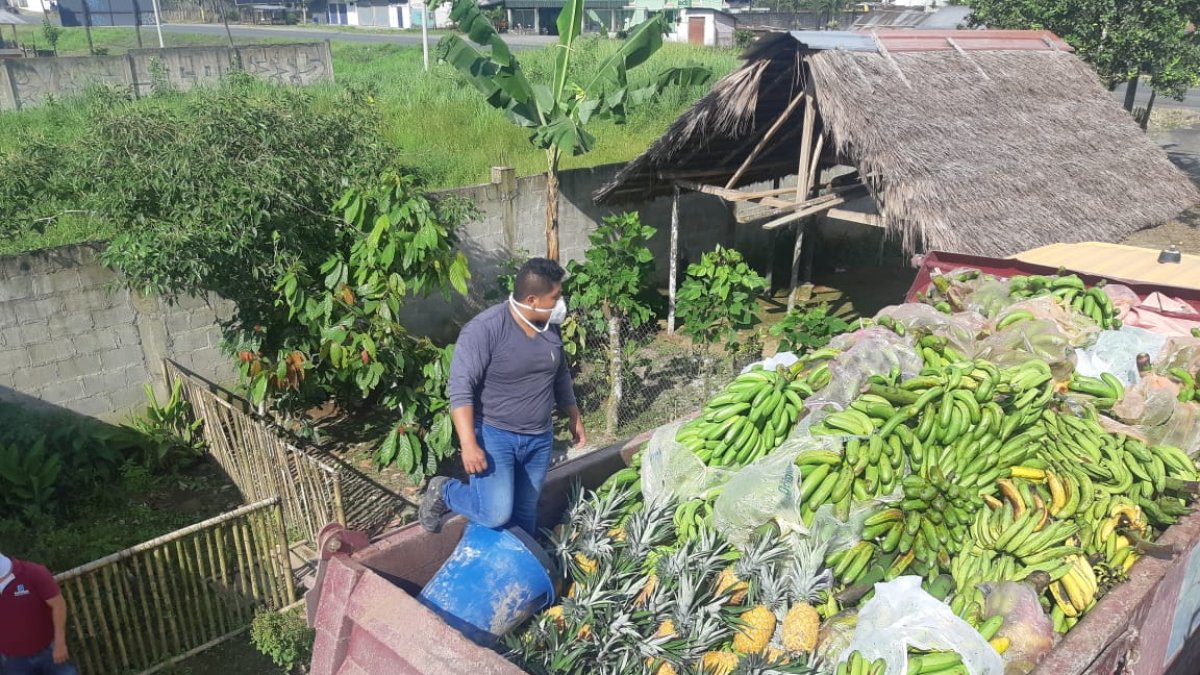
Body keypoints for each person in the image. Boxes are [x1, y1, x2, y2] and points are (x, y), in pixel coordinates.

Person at [419, 258, 587, 537]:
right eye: (555, 297)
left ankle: (520, 568)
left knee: (525, 512)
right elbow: (460, 388)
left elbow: (560, 375)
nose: (561, 304)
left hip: (539, 438)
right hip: (495, 435)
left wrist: (574, 415)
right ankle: (445, 490)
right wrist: (469, 443)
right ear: (532, 300)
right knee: (494, 514)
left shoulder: (550, 327)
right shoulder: (485, 330)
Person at [0, 553, 77, 675]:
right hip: (11, 661)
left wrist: (60, 643)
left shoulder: (32, 573)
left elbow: (58, 605)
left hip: (49, 651)